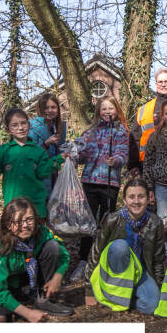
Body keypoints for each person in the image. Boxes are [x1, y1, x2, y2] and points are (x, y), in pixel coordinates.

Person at [69, 95, 129, 282]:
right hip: (90, 181)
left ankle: (106, 259)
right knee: (88, 223)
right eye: (104, 109)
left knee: (108, 222)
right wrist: (74, 155)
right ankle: (82, 261)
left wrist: (116, 160)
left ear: (117, 110)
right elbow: (81, 152)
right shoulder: (91, 131)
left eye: (111, 108)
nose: (107, 112)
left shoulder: (121, 131)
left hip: (110, 183)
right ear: (98, 111)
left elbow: (123, 153)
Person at [84, 178, 164, 314]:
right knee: (120, 247)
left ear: (148, 198)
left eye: (141, 196)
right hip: (115, 271)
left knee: (151, 306)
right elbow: (95, 252)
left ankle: (124, 298)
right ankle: (114, 292)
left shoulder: (155, 222)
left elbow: (158, 260)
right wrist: (89, 290)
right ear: (125, 200)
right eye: (131, 197)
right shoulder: (113, 219)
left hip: (140, 271)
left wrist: (159, 289)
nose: (137, 201)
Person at [0, 198, 73, 322]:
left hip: (28, 279)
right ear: (8, 224)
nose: (25, 225)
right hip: (6, 288)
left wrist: (58, 275)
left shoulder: (41, 232)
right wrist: (27, 313)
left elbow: (64, 254)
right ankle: (16, 302)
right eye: (18, 221)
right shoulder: (0, 248)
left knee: (53, 246)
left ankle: (42, 299)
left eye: (29, 219)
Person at [0, 108, 65, 219]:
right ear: (8, 130)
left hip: (36, 207)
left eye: (23, 123)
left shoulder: (38, 150)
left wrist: (58, 159)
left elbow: (42, 172)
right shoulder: (4, 150)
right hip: (13, 207)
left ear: (29, 125)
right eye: (15, 125)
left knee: (37, 234)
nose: (20, 128)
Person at [28, 93, 66, 196]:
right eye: (46, 108)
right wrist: (46, 144)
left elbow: (60, 151)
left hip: (54, 173)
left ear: (58, 109)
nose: (50, 110)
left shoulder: (59, 127)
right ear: (40, 109)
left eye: (53, 107)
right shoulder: (32, 127)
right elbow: (30, 154)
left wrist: (68, 152)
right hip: (38, 176)